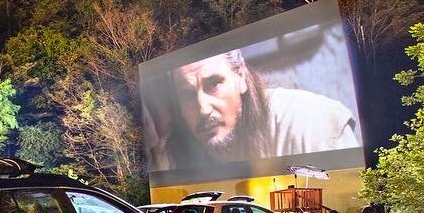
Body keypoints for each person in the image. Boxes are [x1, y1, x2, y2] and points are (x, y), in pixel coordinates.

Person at [152, 49, 360, 170]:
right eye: (188, 95)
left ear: (240, 76)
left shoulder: (313, 123)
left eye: (214, 84)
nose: (203, 108)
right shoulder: (172, 151)